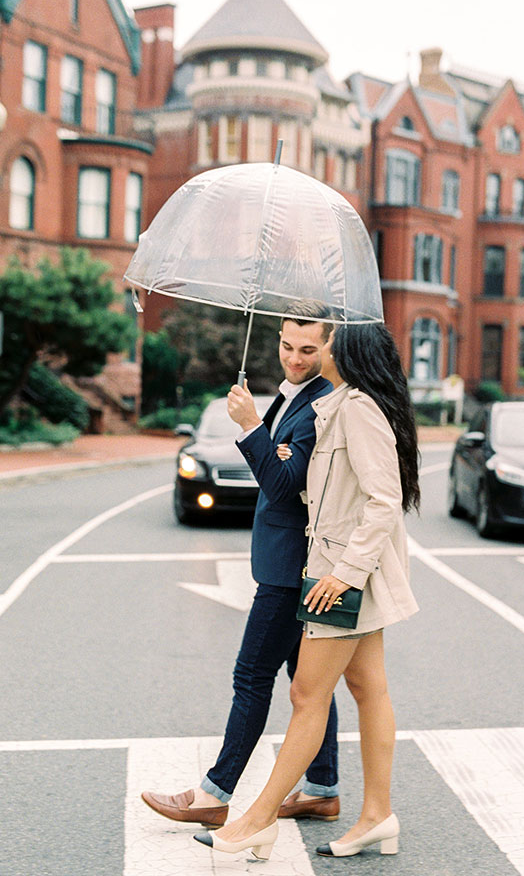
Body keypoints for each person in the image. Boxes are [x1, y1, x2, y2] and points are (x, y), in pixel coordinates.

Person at [194, 321, 420, 860]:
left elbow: (384, 501)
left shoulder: (358, 408)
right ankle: (377, 815)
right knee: (368, 690)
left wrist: (344, 574)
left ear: (349, 351)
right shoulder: (339, 404)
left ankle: (257, 818)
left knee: (306, 696)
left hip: (343, 575)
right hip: (339, 569)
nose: (321, 348)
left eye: (330, 341)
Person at [141, 300, 342, 827]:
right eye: (286, 345)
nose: (294, 359)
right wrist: (267, 438)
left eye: (307, 349)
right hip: (292, 561)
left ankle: (214, 794)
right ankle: (322, 786)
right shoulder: (294, 394)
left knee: (251, 675)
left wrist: (252, 426)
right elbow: (279, 471)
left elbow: (281, 486)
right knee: (309, 678)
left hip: (290, 568)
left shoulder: (321, 404)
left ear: (328, 346)